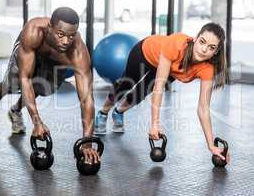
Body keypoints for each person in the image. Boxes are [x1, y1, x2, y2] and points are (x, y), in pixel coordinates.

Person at [0, 7, 99, 162]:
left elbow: (87, 99)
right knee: (11, 85)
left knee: (43, 88)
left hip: (54, 62)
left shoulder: (78, 52)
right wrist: (37, 121)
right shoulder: (34, 31)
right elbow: (25, 78)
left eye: (71, 36)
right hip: (30, 50)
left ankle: (15, 110)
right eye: (61, 35)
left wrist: (87, 141)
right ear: (49, 27)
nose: (66, 41)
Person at [94, 22, 230, 162]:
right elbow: (158, 88)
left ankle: (119, 111)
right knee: (125, 85)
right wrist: (155, 124)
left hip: (170, 68)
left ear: (216, 51)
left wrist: (211, 145)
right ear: (195, 38)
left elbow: (203, 108)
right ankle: (103, 112)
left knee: (142, 92)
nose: (204, 49)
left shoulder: (207, 69)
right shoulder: (176, 44)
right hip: (146, 53)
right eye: (202, 42)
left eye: (211, 47)